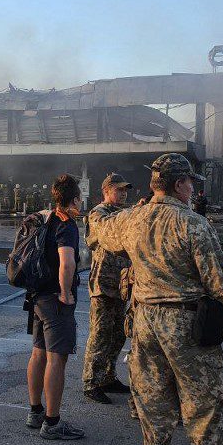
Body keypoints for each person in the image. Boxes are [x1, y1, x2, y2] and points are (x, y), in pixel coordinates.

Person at [96, 153, 223, 445]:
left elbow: (99, 231)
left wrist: (106, 207)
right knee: (207, 423)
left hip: (145, 324)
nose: (192, 190)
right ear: (181, 184)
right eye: (190, 183)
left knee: (155, 426)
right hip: (188, 329)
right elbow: (221, 284)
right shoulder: (193, 224)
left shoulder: (130, 219)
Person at [25, 174, 85, 441]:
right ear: (74, 199)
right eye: (80, 198)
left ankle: (35, 411)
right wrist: (65, 294)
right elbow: (67, 262)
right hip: (55, 299)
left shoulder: (44, 217)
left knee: (38, 353)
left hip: (36, 296)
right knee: (56, 358)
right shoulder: (66, 223)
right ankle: (52, 422)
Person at [83, 173, 133, 404]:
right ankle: (91, 381)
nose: (123, 193)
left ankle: (108, 376)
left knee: (118, 334)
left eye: (125, 190)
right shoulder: (98, 213)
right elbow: (108, 233)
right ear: (106, 191)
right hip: (103, 283)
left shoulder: (123, 213)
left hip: (121, 284)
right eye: (118, 189)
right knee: (100, 335)